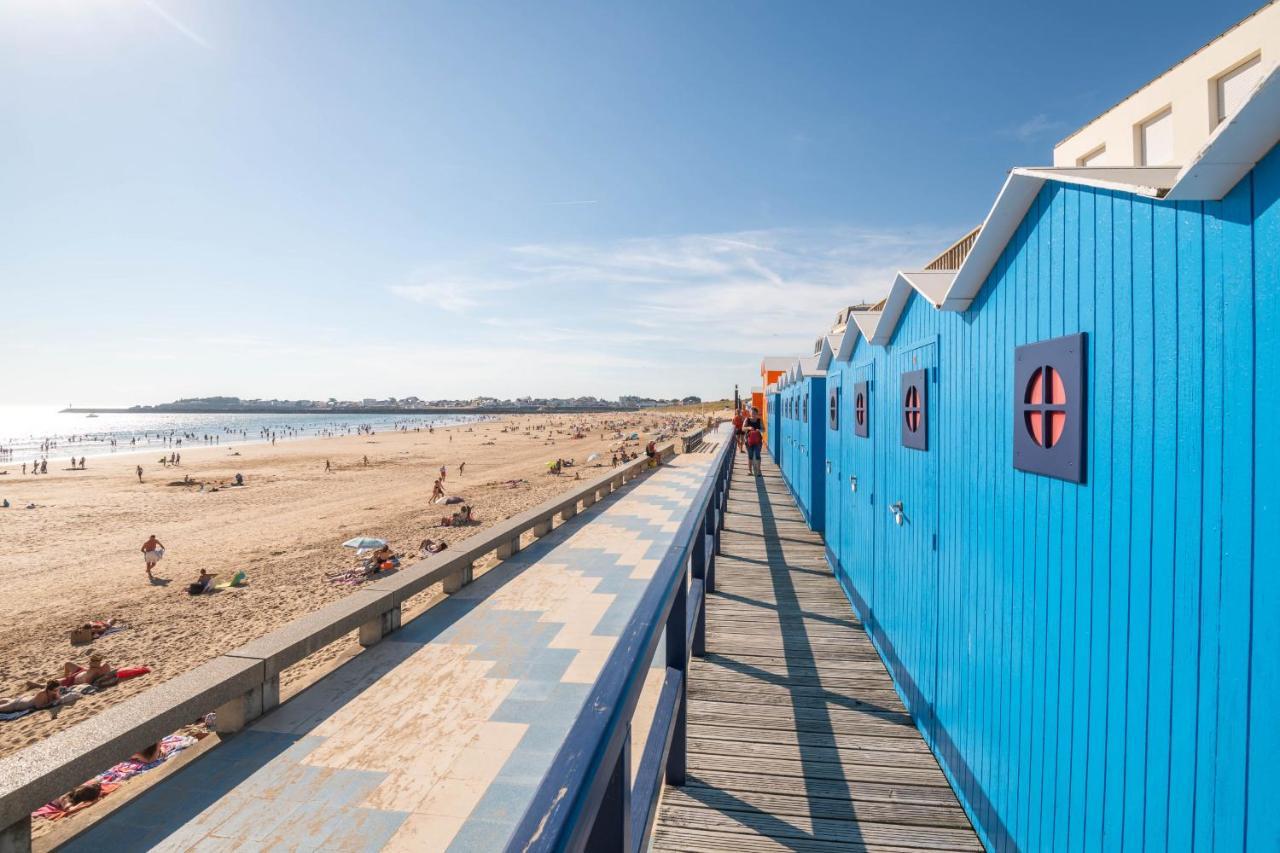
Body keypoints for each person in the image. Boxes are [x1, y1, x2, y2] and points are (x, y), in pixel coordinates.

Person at [744, 406, 765, 476]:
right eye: (751, 412)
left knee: (757, 455)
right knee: (750, 455)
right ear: (750, 413)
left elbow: (763, 429)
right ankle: (750, 471)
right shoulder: (747, 419)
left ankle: (758, 471)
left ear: (757, 413)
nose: (753, 414)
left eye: (754, 413)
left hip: (758, 440)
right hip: (748, 440)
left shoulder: (759, 420)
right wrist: (748, 427)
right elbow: (743, 428)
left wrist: (759, 430)